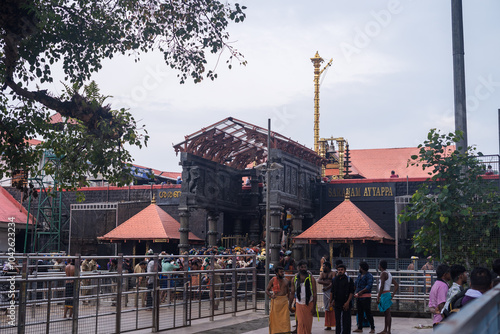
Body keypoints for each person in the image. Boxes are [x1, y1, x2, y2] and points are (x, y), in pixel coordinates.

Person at [290, 260, 317, 334]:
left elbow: (314, 293)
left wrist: (314, 307)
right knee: (300, 323)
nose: (303, 269)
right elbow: (292, 293)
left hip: (309, 303)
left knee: (308, 324)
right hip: (299, 304)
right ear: (298, 268)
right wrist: (290, 305)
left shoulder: (311, 278)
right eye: (302, 267)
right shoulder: (294, 279)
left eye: (305, 267)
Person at [330, 264, 354, 334]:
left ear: (344, 271)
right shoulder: (334, 280)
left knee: (346, 321)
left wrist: (347, 302)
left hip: (346, 302)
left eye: (341, 270)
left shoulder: (349, 280)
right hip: (337, 303)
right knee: (338, 321)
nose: (340, 271)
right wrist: (331, 301)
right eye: (339, 270)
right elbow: (332, 291)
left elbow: (351, 292)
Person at [376, 260, 399, 334]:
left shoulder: (383, 274)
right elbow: (396, 285)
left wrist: (378, 296)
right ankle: (386, 329)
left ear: (380, 266)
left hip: (384, 294)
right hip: (387, 293)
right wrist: (392, 294)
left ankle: (388, 330)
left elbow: (382, 286)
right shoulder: (389, 274)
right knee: (386, 313)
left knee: (387, 313)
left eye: (379, 265)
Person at [267, 266, 291, 334]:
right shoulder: (273, 280)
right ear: (276, 273)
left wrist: (290, 302)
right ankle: (275, 331)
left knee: (285, 319)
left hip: (284, 301)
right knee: (275, 319)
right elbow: (267, 290)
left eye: (283, 272)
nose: (283, 273)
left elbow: (288, 292)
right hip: (276, 301)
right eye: (281, 272)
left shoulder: (286, 280)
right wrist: (270, 295)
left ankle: (285, 331)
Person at [353, 261, 375, 333]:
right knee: (360, 312)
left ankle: (372, 327)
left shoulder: (369, 276)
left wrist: (361, 292)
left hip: (365, 297)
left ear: (362, 268)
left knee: (368, 312)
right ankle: (360, 327)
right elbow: (355, 284)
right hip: (359, 297)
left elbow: (369, 286)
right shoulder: (359, 275)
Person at [317, 261, 335, 330]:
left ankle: (333, 323)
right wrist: (327, 283)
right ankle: (328, 325)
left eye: (324, 266)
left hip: (331, 291)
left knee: (332, 307)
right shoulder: (322, 273)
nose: (323, 267)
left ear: (327, 266)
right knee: (327, 308)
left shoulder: (333, 273)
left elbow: (333, 282)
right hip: (325, 291)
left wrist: (327, 286)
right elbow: (318, 281)